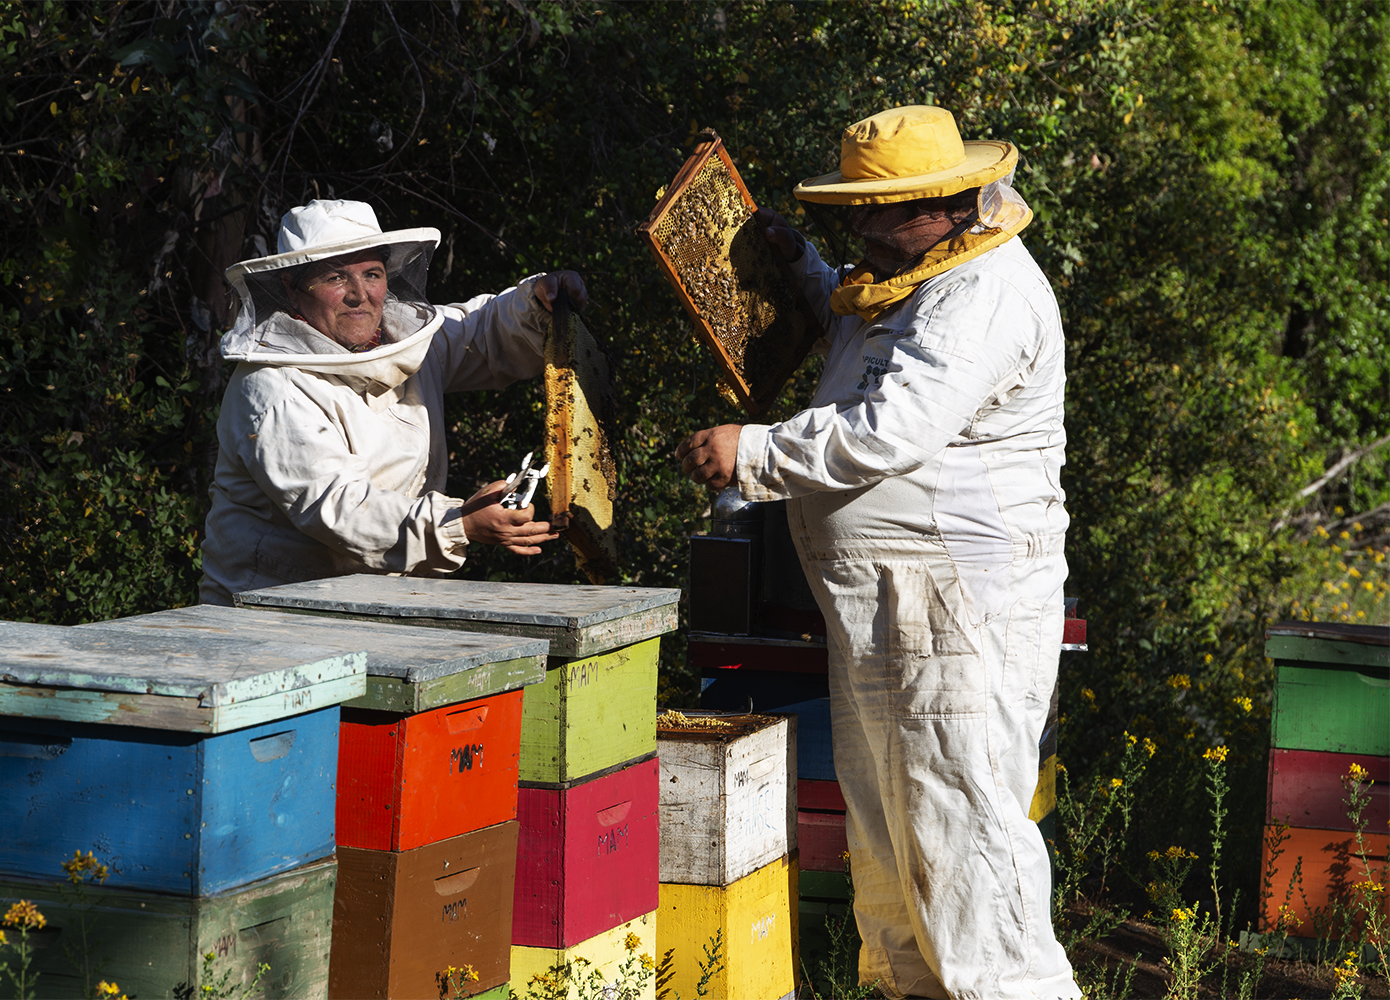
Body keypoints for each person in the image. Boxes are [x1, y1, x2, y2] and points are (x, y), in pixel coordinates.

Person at [675, 106, 1078, 998]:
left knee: (962, 828)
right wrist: (797, 266)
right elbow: (862, 337)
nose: (857, 227)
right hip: (895, 598)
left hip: (957, 601)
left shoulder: (984, 294)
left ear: (942, 203)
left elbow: (895, 423)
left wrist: (755, 452)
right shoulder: (912, 269)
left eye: (876, 211)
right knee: (895, 839)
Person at [199, 199, 584, 606]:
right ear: (290, 288)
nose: (360, 295)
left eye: (372, 274)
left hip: (376, 598)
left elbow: (481, 332)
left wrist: (539, 303)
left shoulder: (404, 343)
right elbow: (337, 508)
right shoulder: (271, 387)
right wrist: (457, 525)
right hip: (264, 612)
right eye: (335, 277)